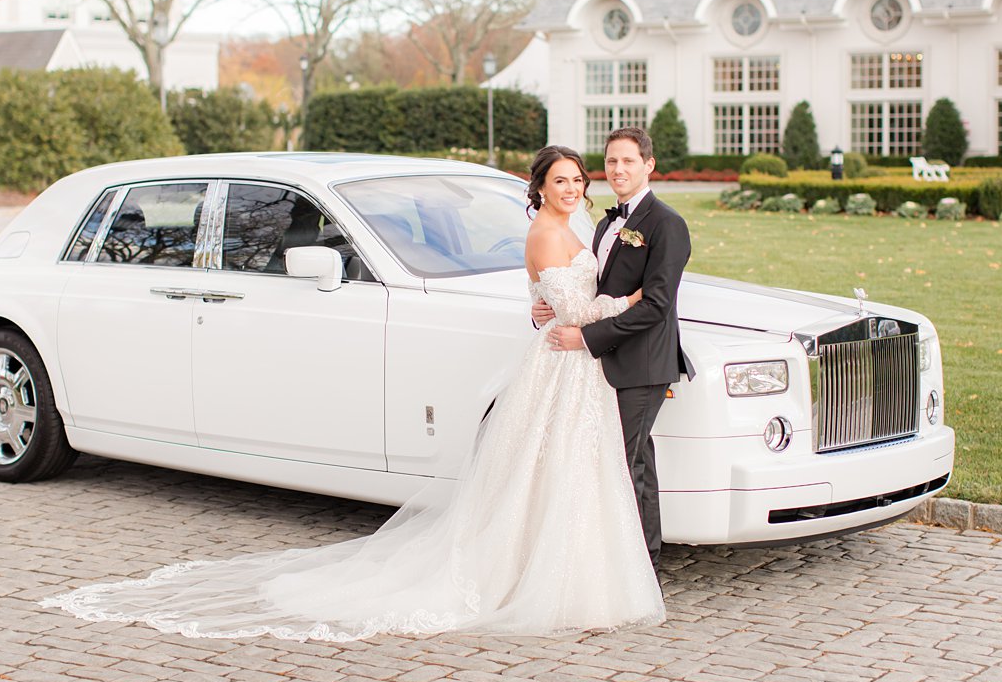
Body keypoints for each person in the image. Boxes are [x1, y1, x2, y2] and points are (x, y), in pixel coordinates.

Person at [40, 145, 665, 641]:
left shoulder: (577, 230)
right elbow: (571, 301)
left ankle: (573, 577)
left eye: (579, 179)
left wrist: (566, 308)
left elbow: (555, 298)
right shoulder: (545, 237)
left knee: (568, 469)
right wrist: (631, 303)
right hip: (570, 354)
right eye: (563, 180)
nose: (575, 187)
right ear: (544, 188)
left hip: (577, 360)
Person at [535, 126, 694, 568]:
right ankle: (631, 563)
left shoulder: (667, 224)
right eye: (610, 161)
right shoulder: (606, 223)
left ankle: (642, 566)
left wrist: (585, 339)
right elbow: (586, 292)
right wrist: (547, 311)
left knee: (626, 465)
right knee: (629, 460)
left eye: (627, 161)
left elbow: (657, 307)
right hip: (603, 362)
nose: (618, 169)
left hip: (642, 363)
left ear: (648, 165)